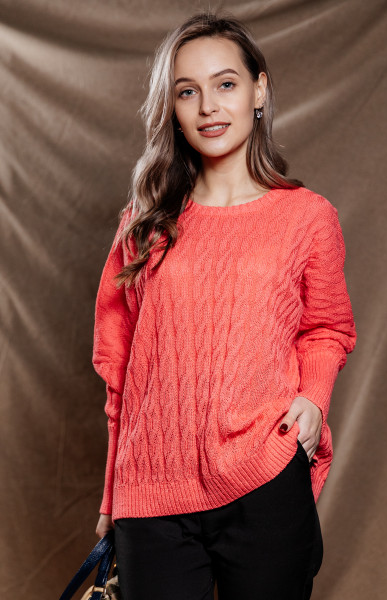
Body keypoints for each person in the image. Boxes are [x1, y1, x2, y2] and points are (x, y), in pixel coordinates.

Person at [93, 11, 357, 600]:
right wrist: (112, 494)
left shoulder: (307, 218)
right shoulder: (143, 224)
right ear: (172, 108)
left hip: (264, 477)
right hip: (151, 494)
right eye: (187, 91)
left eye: (226, 84)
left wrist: (314, 400)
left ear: (259, 91)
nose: (208, 106)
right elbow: (119, 369)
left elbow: (326, 328)